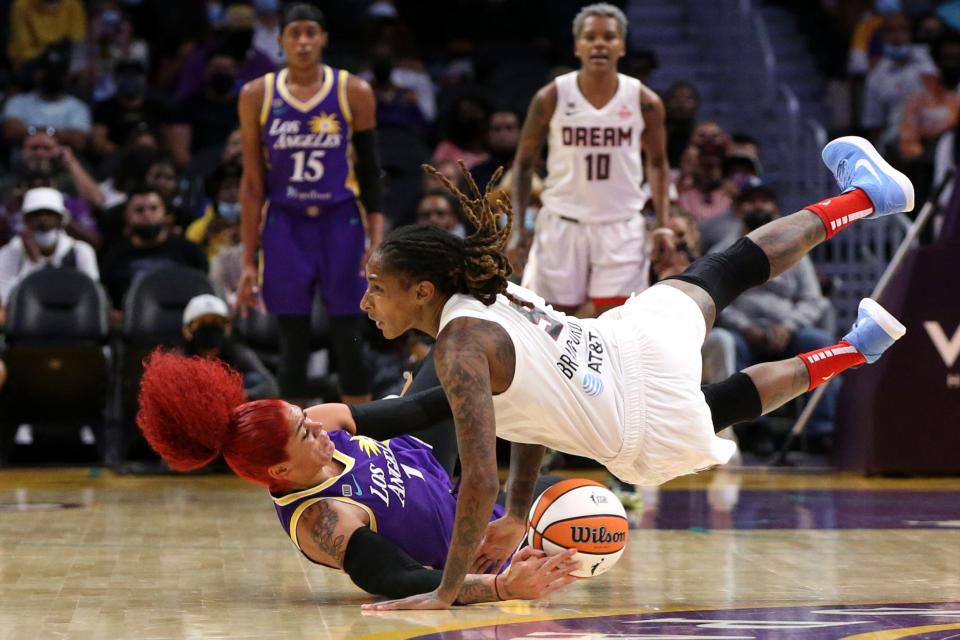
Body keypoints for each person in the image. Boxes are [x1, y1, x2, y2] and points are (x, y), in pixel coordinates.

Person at [357, 134, 912, 609]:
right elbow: (532, 407)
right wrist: (519, 512)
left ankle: (855, 350)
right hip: (624, 345)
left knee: (722, 404)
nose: (366, 302)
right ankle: (864, 199)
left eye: (377, 288)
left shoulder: (458, 348)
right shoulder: (491, 289)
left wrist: (447, 591)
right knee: (723, 271)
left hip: (631, 422)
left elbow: (479, 479)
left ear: (423, 291)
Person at [135, 349, 578, 602]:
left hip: (425, 459)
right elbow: (402, 580)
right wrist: (501, 588)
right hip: (467, 534)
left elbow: (411, 411)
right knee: (584, 509)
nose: (315, 426)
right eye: (303, 432)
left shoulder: (320, 420)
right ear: (281, 470)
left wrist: (491, 382)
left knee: (456, 349)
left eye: (303, 415)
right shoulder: (322, 520)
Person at [236, 3, 385, 405]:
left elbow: (372, 172)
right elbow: (252, 184)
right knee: (293, 338)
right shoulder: (257, 95)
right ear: (281, 39)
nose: (303, 42)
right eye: (294, 34)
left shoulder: (353, 90)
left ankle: (364, 443)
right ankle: (293, 445)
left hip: (342, 222)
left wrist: (377, 240)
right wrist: (249, 259)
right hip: (285, 223)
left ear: (324, 39)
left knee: (349, 333)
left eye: (310, 33)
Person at [512, 3, 672, 317]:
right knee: (549, 324)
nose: (600, 43)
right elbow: (524, 162)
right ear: (578, 46)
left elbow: (658, 163)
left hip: (620, 224)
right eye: (591, 36)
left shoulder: (644, 101)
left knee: (618, 324)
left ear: (622, 46)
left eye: (609, 37)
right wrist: (518, 228)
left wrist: (664, 226)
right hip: (562, 221)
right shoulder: (551, 97)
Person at [180, 294, 278, 400]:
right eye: (202, 322)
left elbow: (271, 386)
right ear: (187, 331)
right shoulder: (180, 360)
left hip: (235, 408)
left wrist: (242, 395)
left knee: (254, 380)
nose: (211, 328)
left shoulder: (239, 354)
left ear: (228, 328)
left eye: (217, 322)